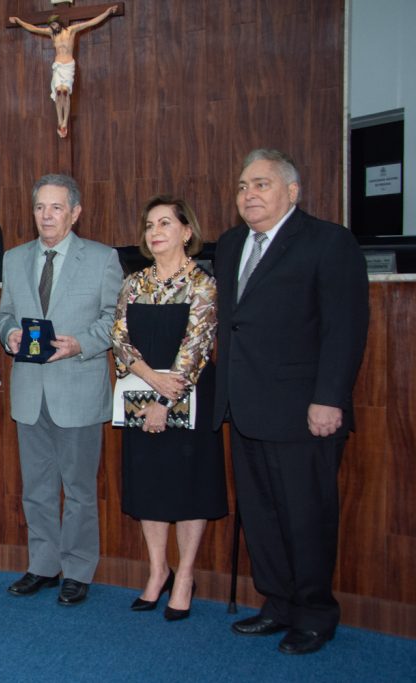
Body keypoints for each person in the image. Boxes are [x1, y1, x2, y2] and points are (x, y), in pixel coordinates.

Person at [214, 149, 369, 654]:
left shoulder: (329, 242)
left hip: (303, 412)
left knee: (307, 516)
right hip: (245, 407)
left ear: (292, 191)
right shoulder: (233, 244)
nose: (248, 195)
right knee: (260, 515)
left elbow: (344, 329)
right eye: (242, 186)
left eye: (260, 184)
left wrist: (329, 400)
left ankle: (315, 614)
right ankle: (277, 603)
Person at [0, 174, 123, 605]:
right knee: (37, 488)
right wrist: (9, 334)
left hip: (78, 391)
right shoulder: (13, 258)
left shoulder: (103, 259)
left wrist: (81, 343)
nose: (46, 216)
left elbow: (115, 320)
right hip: (30, 393)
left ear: (75, 213)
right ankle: (44, 565)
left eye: (55, 208)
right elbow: (4, 314)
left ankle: (79, 569)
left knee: (81, 490)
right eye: (39, 208)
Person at [111, 195, 227, 620]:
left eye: (165, 223)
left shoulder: (203, 284)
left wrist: (165, 397)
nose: (155, 232)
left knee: (188, 488)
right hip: (140, 394)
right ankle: (158, 571)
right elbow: (119, 339)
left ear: (187, 231)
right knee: (150, 488)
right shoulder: (134, 283)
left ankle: (185, 576)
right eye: (149, 225)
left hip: (189, 397)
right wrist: (148, 380)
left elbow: (195, 350)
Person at [9, 6, 118, 138]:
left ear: (59, 23)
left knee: (64, 93)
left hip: (68, 66)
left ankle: (64, 121)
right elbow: (33, 28)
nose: (54, 27)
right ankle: (59, 121)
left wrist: (106, 13)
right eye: (51, 25)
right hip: (58, 66)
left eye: (55, 24)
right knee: (58, 92)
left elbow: (91, 22)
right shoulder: (51, 33)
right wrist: (19, 21)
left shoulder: (71, 31)